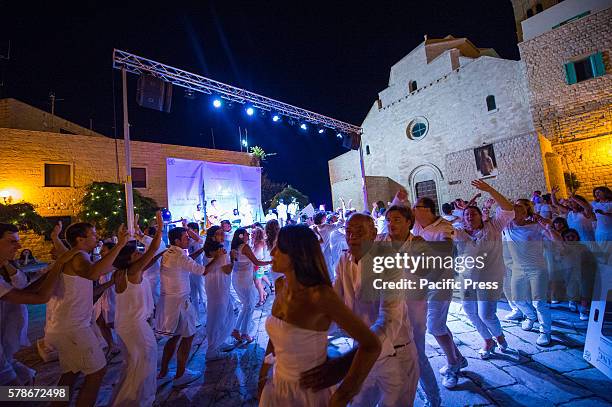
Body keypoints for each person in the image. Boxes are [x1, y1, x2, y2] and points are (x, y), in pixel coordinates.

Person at [258, 224, 381, 406]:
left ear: (295, 253)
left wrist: (342, 391)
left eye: (278, 247)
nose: (271, 253)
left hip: (308, 394)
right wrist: (262, 377)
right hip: (277, 387)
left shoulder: (319, 295)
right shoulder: (281, 286)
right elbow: (274, 340)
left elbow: (371, 345)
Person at [303, 213, 419, 406]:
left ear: (373, 234)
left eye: (359, 231)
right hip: (362, 354)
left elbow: (389, 318)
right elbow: (335, 302)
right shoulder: (344, 261)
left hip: (396, 353)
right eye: (348, 231)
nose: (352, 236)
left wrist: (349, 360)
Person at [45, 222, 129, 406]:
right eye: (93, 234)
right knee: (97, 372)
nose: (97, 237)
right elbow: (92, 273)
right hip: (73, 328)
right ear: (80, 240)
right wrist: (120, 245)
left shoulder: (71, 256)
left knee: (70, 373)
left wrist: (55, 237)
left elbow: (89, 284)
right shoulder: (79, 256)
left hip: (63, 326)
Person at [377, 204, 441, 407]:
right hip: (386, 308)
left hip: (414, 307)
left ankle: (434, 397)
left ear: (408, 222)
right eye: (388, 220)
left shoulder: (419, 244)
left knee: (418, 354)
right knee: (385, 352)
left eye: (397, 220)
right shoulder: (379, 242)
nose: (391, 223)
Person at [0, 223, 75, 386]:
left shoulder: (7, 267)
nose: (19, 246)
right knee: (15, 395)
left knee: (26, 380)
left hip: (6, 345)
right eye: (12, 241)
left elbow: (27, 288)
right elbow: (39, 298)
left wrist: (51, 270)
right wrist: (59, 265)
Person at [453, 180, 515, 360]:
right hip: (467, 278)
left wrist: (489, 189)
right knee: (470, 311)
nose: (469, 217)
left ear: (481, 216)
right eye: (466, 215)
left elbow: (508, 209)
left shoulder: (494, 227)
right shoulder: (459, 232)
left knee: (486, 314)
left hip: (490, 278)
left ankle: (501, 338)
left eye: (473, 213)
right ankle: (488, 340)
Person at [412, 195, 467, 389]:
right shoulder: (419, 225)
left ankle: (453, 366)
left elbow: (447, 248)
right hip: (424, 281)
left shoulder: (444, 227)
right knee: (437, 323)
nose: (412, 209)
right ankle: (458, 357)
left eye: (415, 206)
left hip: (441, 282)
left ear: (426, 209)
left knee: (434, 326)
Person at [109, 212, 163, 407]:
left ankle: (126, 399)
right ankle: (138, 401)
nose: (140, 253)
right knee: (145, 364)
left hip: (124, 325)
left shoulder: (119, 273)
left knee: (133, 364)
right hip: (136, 326)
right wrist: (160, 226)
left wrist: (126, 234)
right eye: (136, 252)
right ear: (130, 258)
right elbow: (154, 250)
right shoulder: (133, 271)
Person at [156, 226, 210, 387]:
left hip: (170, 301)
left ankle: (164, 372)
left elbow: (186, 262)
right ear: (177, 241)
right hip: (180, 303)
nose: (189, 239)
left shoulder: (169, 252)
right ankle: (180, 375)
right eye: (186, 237)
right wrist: (218, 260)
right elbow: (202, 271)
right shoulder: (179, 256)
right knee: (188, 336)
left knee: (175, 337)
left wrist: (200, 252)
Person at [504, 199, 562, 346]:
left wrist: (548, 227)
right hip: (518, 268)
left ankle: (545, 331)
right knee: (517, 299)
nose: (515, 209)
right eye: (514, 207)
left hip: (537, 268)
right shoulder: (507, 225)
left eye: (520, 207)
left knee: (539, 302)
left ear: (526, 211)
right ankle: (530, 317)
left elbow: (559, 242)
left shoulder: (536, 226)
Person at [230, 228, 272, 343]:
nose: (248, 235)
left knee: (246, 305)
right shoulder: (245, 247)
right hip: (244, 280)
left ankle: (237, 330)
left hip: (237, 279)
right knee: (250, 305)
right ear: (240, 236)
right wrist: (271, 262)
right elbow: (257, 262)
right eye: (246, 234)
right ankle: (244, 333)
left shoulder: (235, 247)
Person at [203, 226, 236, 360]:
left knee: (223, 313)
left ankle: (218, 342)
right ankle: (211, 350)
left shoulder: (214, 248)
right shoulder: (218, 250)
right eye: (219, 234)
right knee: (218, 315)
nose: (222, 235)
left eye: (223, 233)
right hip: (218, 286)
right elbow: (227, 270)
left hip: (217, 285)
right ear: (212, 236)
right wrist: (232, 258)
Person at [186, 222, 206, 326]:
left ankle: (209, 318)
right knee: (193, 297)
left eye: (189, 230)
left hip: (200, 271)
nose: (187, 233)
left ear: (196, 231)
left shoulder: (201, 239)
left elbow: (198, 239)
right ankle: (196, 320)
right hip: (191, 272)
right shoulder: (189, 241)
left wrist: (186, 227)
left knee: (203, 296)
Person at [591, 186, 612, 262]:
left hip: (610, 231)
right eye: (595, 192)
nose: (597, 194)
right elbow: (591, 215)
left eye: (599, 192)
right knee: (603, 254)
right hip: (600, 232)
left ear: (605, 192)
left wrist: (605, 213)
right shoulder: (594, 204)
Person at [251, 227, 269, 307]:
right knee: (256, 283)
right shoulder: (253, 242)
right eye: (252, 233)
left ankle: (262, 299)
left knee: (258, 283)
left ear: (258, 234)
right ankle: (264, 293)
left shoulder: (261, 243)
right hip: (254, 265)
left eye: (253, 233)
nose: (251, 234)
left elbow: (258, 255)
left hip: (259, 265)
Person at [265, 219, 282, 285]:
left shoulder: (268, 240)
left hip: (274, 266)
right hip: (281, 265)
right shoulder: (280, 239)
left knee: (278, 288)